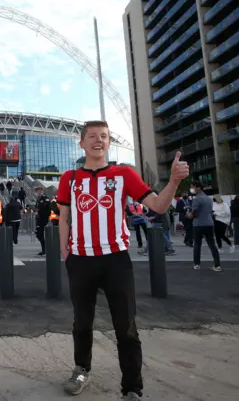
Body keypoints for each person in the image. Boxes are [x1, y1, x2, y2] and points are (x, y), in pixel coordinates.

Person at [57, 120, 189, 400]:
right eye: (92, 136)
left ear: (108, 142)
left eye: (104, 136)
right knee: (81, 322)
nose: (98, 140)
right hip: (80, 261)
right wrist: (65, 253)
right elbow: (65, 218)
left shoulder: (123, 174)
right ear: (81, 143)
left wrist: (174, 181)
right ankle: (81, 370)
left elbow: (157, 206)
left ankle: (132, 388)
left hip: (116, 261)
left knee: (126, 326)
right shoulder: (68, 178)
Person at [189, 181, 222, 271]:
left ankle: (197, 264)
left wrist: (189, 215)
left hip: (199, 224)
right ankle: (217, 265)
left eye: (193, 187)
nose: (192, 189)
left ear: (198, 188)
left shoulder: (197, 199)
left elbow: (194, 213)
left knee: (197, 245)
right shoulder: (209, 198)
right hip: (209, 223)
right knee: (212, 244)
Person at [34, 186, 50, 256]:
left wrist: (40, 213)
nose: (37, 192)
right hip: (38, 219)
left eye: (38, 190)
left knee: (40, 234)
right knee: (38, 234)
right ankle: (44, 249)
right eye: (37, 191)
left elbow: (48, 208)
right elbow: (37, 208)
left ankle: (45, 250)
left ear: (41, 190)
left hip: (43, 219)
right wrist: (35, 212)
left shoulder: (45, 198)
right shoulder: (38, 199)